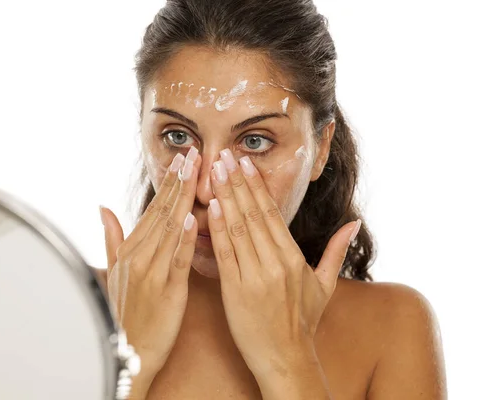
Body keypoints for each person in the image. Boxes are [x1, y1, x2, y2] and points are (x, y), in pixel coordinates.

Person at [98, 0, 447, 398]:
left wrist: (288, 361)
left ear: (320, 148)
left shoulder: (392, 328)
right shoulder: (64, 305)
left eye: (254, 141)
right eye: (177, 136)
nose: (207, 190)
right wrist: (128, 359)